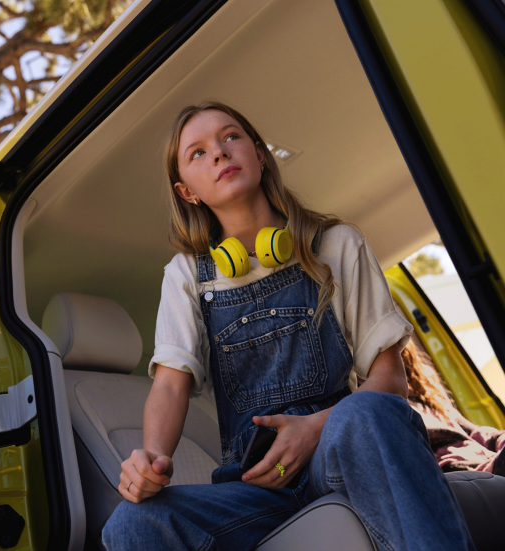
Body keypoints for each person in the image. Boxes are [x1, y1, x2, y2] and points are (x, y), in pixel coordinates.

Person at [101, 101, 476, 551]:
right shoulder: (186, 276)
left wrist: (315, 427)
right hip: (253, 487)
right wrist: (153, 458)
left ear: (260, 155)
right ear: (188, 193)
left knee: (368, 411)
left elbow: (390, 382)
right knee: (130, 524)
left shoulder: (338, 245)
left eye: (230, 136)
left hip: (337, 453)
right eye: (197, 152)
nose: (219, 153)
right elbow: (170, 385)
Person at [402, 340, 505, 477]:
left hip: (488, 462)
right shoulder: (383, 410)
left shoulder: (426, 397)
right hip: (463, 475)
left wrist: (501, 439)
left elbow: (475, 432)